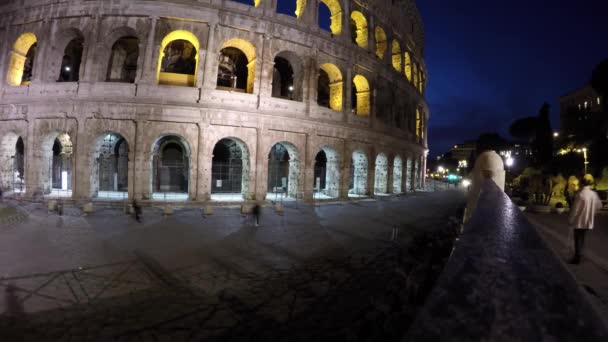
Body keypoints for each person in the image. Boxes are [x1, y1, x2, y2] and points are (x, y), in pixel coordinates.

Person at [568, 177, 602, 264]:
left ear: (582, 184)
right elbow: (599, 206)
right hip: (588, 221)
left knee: (577, 239)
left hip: (579, 221)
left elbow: (575, 209)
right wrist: (592, 213)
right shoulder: (593, 194)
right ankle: (580, 255)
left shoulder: (580, 194)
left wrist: (571, 220)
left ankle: (577, 257)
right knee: (582, 238)